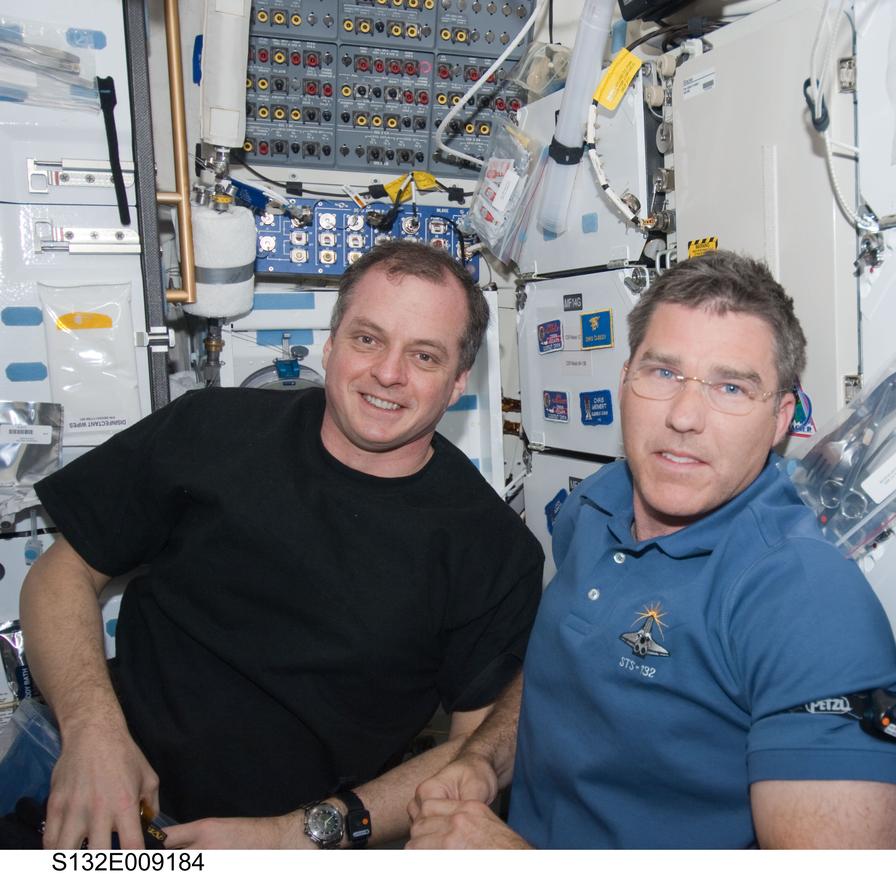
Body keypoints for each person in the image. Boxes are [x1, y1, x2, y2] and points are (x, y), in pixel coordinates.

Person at [18, 240, 543, 849]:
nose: (388, 373)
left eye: (424, 356)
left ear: (456, 382)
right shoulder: (209, 429)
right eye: (367, 339)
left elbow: (472, 757)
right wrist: (91, 734)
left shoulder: (491, 547)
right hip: (88, 793)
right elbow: (60, 574)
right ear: (330, 343)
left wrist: (293, 836)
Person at [406, 251, 896, 849]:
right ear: (625, 380)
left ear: (779, 419)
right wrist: (485, 761)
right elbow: (569, 670)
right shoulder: (597, 503)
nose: (684, 416)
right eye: (663, 373)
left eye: (731, 387)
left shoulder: (807, 600)